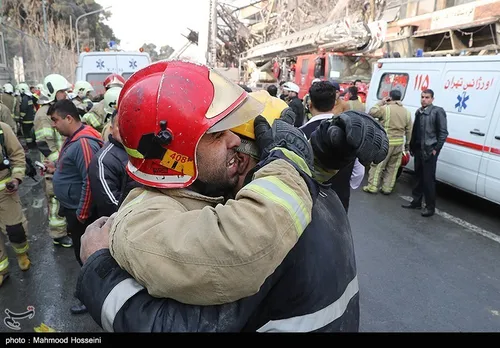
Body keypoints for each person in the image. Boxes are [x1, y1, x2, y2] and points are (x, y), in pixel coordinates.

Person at [75, 88, 387, 332]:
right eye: (218, 135)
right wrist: (320, 155)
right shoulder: (312, 194)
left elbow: (172, 326)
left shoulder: (263, 232)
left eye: (234, 144)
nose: (231, 151)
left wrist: (99, 272)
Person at [44, 100, 103, 314]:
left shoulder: (83, 143)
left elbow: (90, 181)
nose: (53, 125)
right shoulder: (72, 139)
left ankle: (93, 299)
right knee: (81, 254)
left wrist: (81, 214)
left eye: (55, 120)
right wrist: (55, 168)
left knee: (86, 256)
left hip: (81, 213)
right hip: (74, 209)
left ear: (69, 118)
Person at [301, 81, 368, 212]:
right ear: (334, 104)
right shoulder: (350, 133)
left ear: (310, 105)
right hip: (339, 203)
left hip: (308, 203)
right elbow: (358, 174)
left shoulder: (300, 133)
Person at [34, 74, 73, 248]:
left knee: (62, 196)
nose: (65, 94)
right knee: (55, 198)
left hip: (61, 163)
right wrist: (60, 163)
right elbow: (44, 143)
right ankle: (58, 235)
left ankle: (65, 229)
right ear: (53, 92)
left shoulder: (54, 111)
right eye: (62, 91)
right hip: (54, 166)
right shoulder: (43, 115)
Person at [402, 89, 448, 217]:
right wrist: (411, 146)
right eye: (422, 97)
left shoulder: (437, 112)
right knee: (417, 178)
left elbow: (443, 133)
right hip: (418, 150)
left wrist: (435, 150)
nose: (424, 99)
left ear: (432, 99)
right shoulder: (419, 112)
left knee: (428, 180)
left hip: (429, 151)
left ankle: (430, 207)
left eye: (427, 97)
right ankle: (416, 202)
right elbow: (415, 130)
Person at [88, 109, 141, 218]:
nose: (126, 129)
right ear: (111, 129)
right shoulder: (102, 161)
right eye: (120, 125)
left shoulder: (143, 151)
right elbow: (110, 204)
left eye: (130, 124)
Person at [364, 89, 413, 194]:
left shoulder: (385, 109)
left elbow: (371, 112)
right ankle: (387, 188)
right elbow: (409, 131)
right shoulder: (407, 112)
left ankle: (373, 186)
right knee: (393, 167)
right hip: (399, 144)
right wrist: (407, 144)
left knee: (378, 165)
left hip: (386, 143)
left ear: (390, 97)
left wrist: (381, 102)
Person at [0, 122, 30, 287]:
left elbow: (17, 155)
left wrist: (16, 178)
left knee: (15, 229)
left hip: (5, 192)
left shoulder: (3, 130)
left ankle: (22, 254)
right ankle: (2, 271)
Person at [17, 83, 36, 149]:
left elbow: (23, 109)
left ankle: (29, 146)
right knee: (31, 133)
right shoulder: (30, 97)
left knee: (27, 134)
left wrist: (21, 117)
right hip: (31, 118)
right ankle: (33, 145)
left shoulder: (25, 98)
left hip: (26, 120)